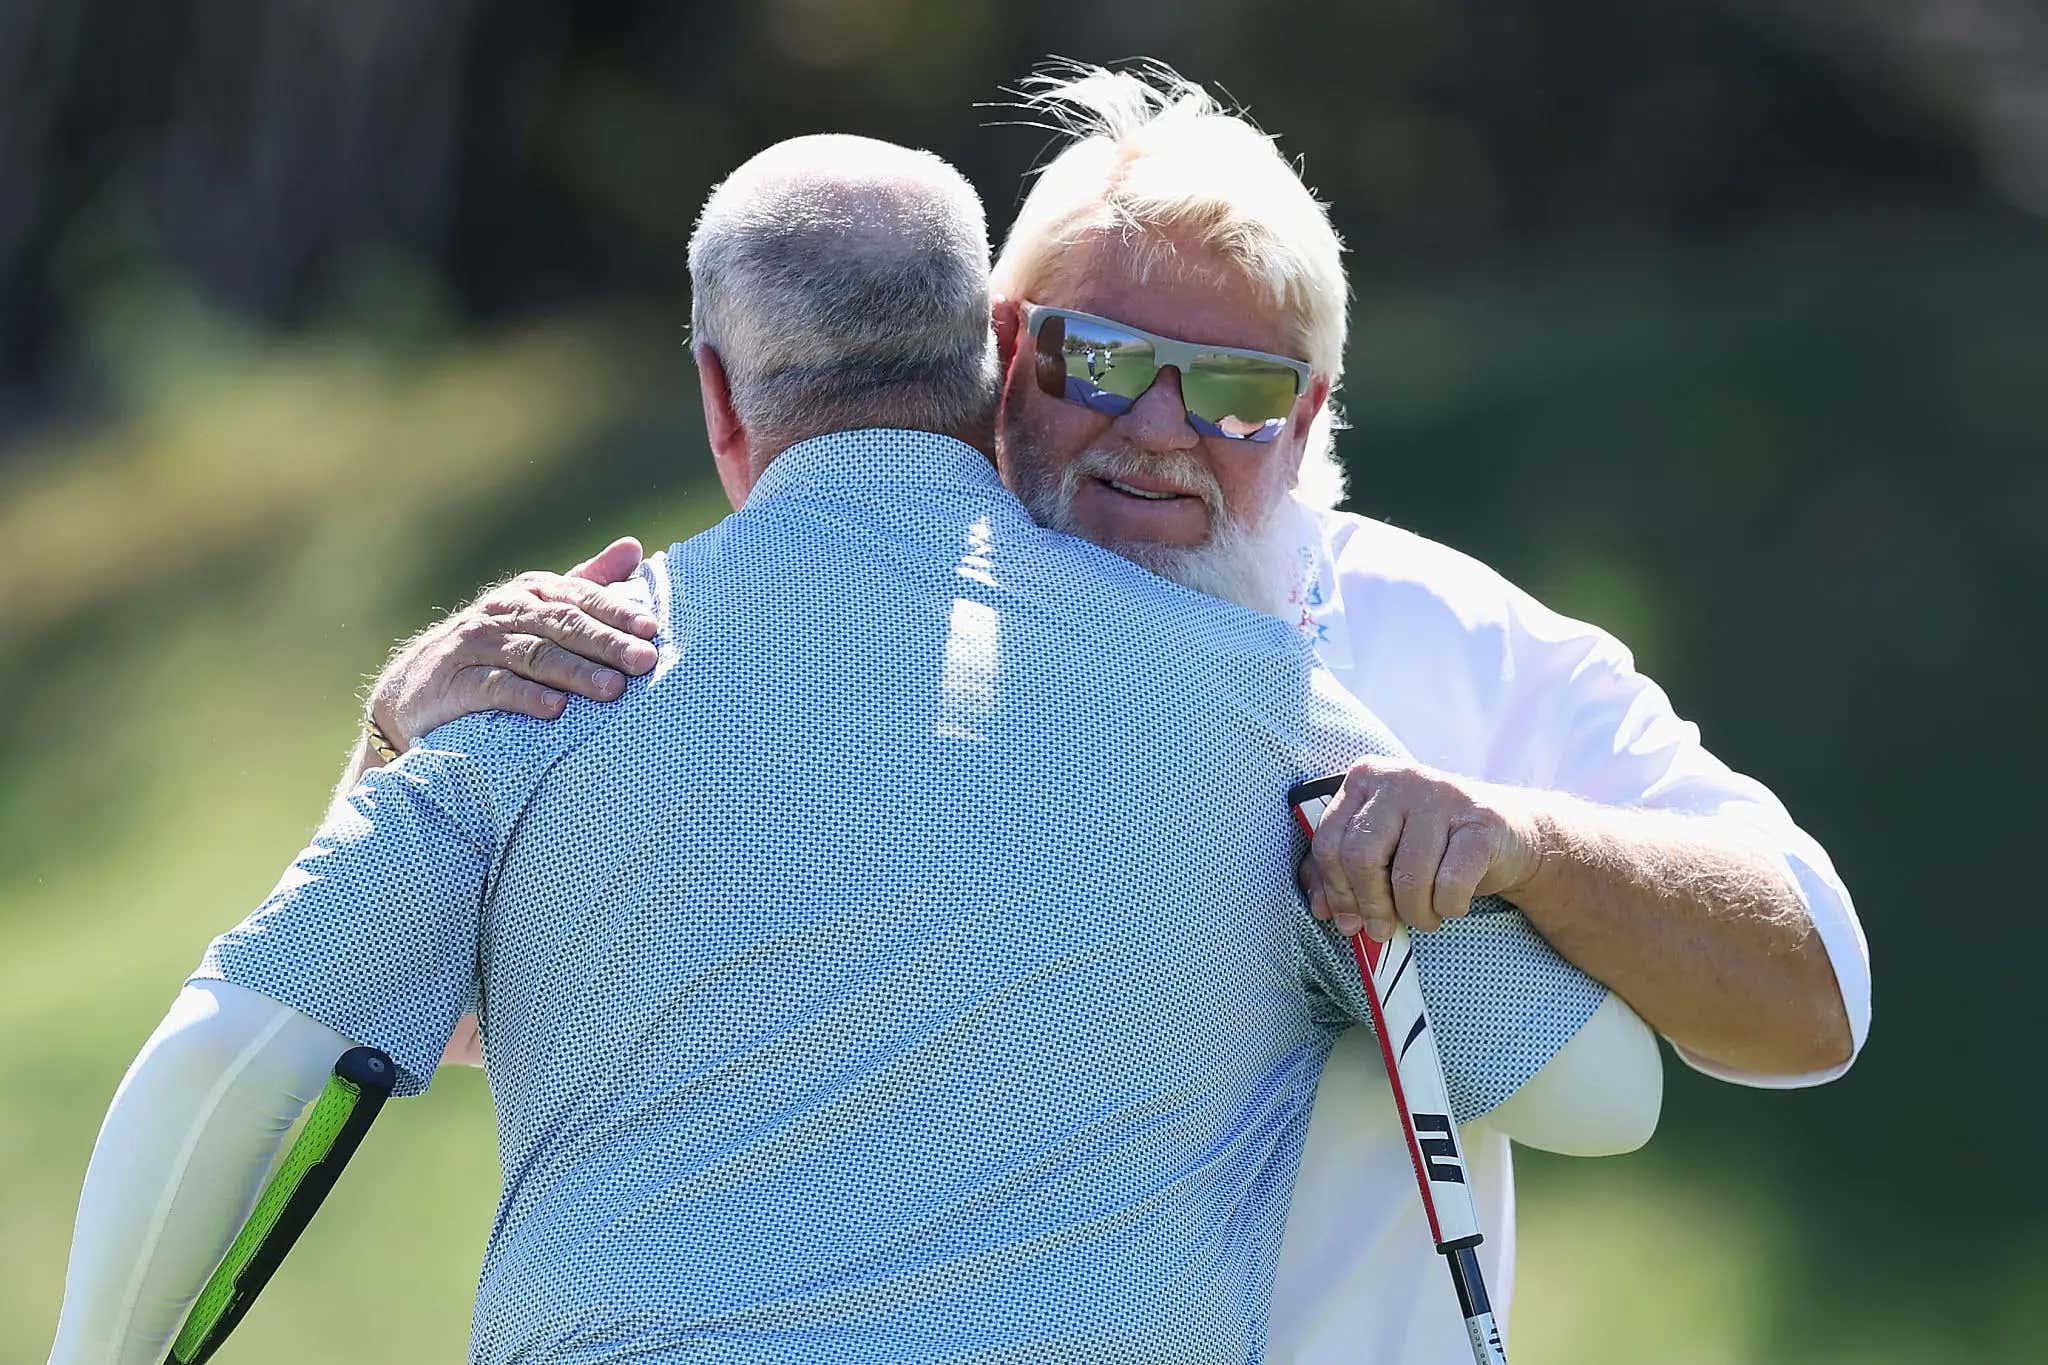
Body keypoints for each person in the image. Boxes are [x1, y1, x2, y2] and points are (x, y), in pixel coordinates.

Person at [49, 136, 1654, 1365]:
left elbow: (232, 1051)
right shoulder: (1260, 711)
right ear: (994, 365)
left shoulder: (554, 675)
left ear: (716, 394)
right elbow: (1605, 1095)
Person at [365, 64, 1871, 1362]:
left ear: (1312, 411)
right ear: (997, 355)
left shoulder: (1438, 635)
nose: (1155, 431)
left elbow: (1813, 998)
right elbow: (432, 1007)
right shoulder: (818, 645)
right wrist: (403, 742)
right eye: (1096, 360)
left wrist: (1526, 841)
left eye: (1231, 388)